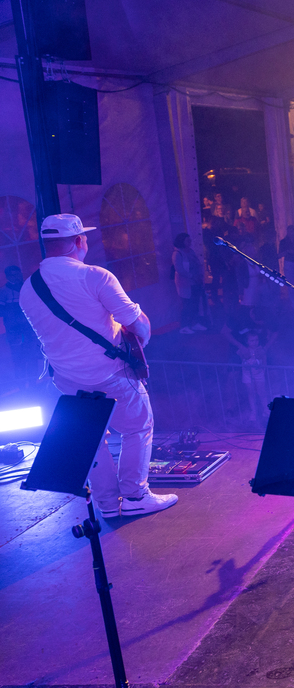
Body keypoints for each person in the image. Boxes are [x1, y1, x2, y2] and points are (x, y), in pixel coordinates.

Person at [18, 214, 177, 518]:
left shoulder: (29, 288)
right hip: (111, 373)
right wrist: (140, 341)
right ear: (78, 241)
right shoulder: (95, 276)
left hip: (66, 379)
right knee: (137, 427)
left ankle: (107, 504)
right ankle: (135, 496)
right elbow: (136, 324)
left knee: (93, 440)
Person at [1, 265, 39, 386]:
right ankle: (21, 383)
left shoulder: (28, 287)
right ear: (8, 276)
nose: (17, 277)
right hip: (14, 330)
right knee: (18, 356)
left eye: (18, 274)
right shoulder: (3, 291)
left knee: (32, 354)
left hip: (30, 327)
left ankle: (34, 382)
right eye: (13, 275)